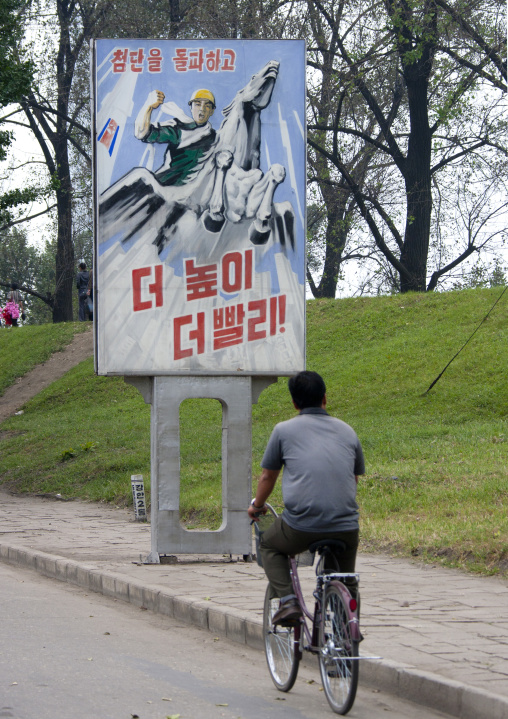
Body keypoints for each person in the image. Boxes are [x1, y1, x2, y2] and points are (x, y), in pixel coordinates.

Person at [247, 370, 365, 626]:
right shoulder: (347, 431)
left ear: (294, 403)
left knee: (269, 545)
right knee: (344, 576)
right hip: (346, 526)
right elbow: (352, 479)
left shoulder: (283, 430)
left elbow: (268, 476)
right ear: (325, 398)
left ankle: (288, 601)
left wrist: (257, 506)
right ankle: (348, 627)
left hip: (301, 525)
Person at [134, 88, 217, 186]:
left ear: (211, 111)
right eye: (197, 104)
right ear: (191, 108)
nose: (202, 109)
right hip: (163, 188)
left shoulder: (216, 138)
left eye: (207, 106)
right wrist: (148, 107)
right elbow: (141, 133)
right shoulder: (179, 129)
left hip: (194, 195)